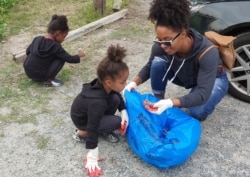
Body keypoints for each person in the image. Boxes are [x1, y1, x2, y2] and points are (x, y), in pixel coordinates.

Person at [125, 0, 229, 121]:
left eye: (167, 40)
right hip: (187, 76)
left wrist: (171, 102)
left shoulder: (208, 52)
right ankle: (158, 101)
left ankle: (198, 102)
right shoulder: (162, 45)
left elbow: (202, 94)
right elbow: (149, 67)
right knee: (157, 63)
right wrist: (133, 84)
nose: (163, 45)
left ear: (183, 34)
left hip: (213, 78)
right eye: (159, 39)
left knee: (197, 110)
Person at [70, 44, 129, 177]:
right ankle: (81, 133)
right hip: (84, 121)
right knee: (116, 121)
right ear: (108, 82)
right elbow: (93, 126)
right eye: (122, 82)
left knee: (114, 98)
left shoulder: (105, 85)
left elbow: (117, 95)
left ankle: (103, 128)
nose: (125, 85)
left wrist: (124, 110)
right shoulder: (97, 102)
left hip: (92, 113)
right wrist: (92, 156)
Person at [23, 14, 85, 87]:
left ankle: (38, 73)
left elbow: (28, 51)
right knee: (61, 58)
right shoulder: (55, 46)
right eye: (63, 36)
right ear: (58, 34)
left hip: (27, 71)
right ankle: (48, 80)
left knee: (53, 56)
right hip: (39, 76)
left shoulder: (38, 39)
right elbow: (69, 59)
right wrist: (79, 55)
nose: (63, 39)